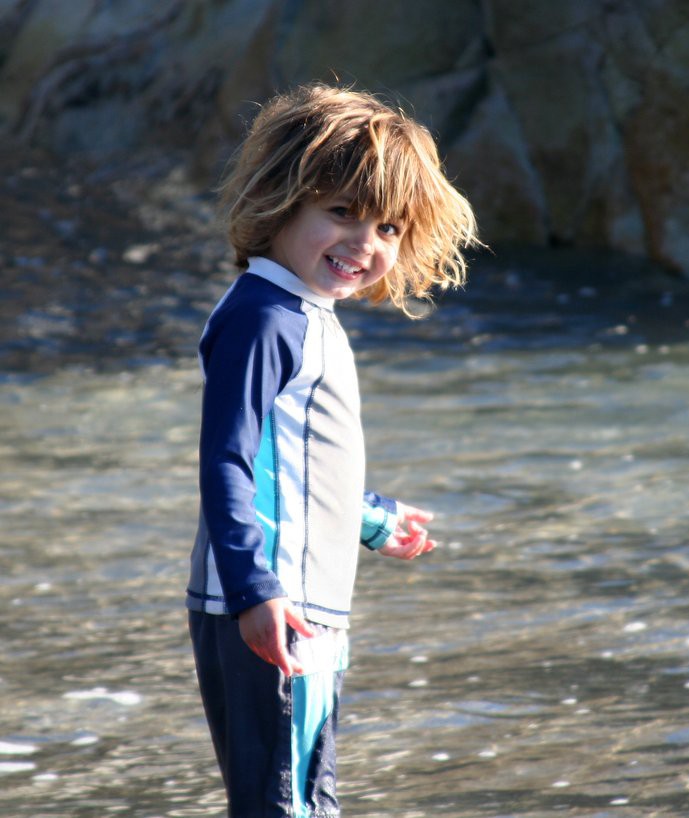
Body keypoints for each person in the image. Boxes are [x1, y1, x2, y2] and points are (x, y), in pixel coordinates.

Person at [185, 83, 478, 818]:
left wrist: (372, 518)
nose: (366, 244)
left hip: (296, 601)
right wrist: (255, 589)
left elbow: (297, 466)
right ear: (281, 198)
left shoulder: (299, 313)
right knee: (286, 801)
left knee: (307, 793)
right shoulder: (265, 318)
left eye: (388, 228)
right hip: (273, 602)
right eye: (342, 212)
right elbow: (227, 460)